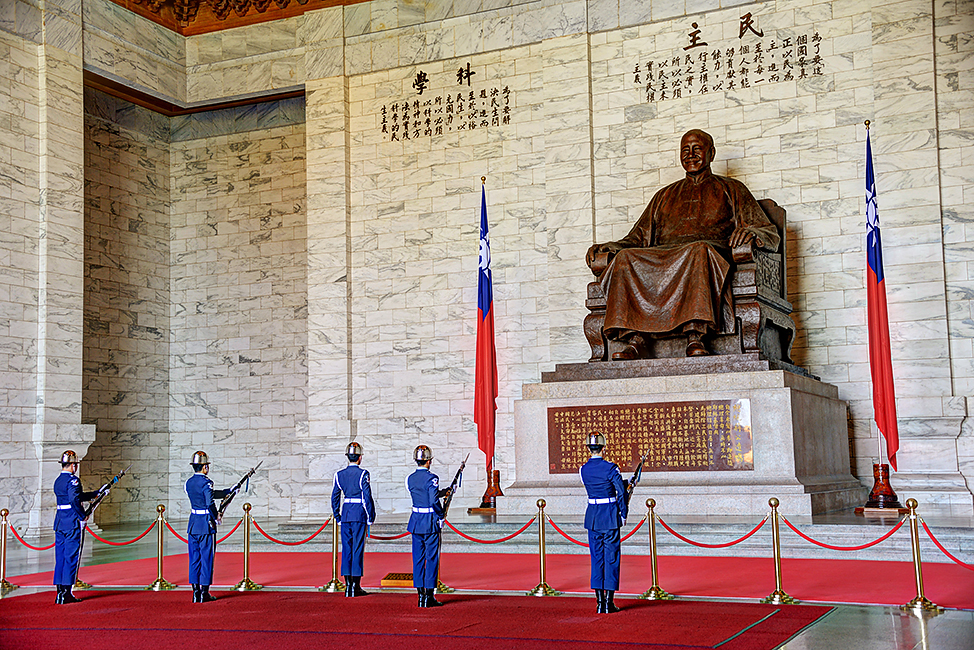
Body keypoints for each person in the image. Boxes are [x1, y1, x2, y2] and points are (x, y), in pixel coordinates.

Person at [586, 129, 779, 358]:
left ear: (711, 153)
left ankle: (695, 335)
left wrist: (750, 233)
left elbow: (769, 232)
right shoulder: (664, 195)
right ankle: (636, 338)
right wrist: (611, 247)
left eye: (697, 148)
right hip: (663, 254)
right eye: (685, 150)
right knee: (626, 258)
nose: (691, 154)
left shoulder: (732, 188)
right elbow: (637, 238)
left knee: (698, 250)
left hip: (707, 251)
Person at [579, 433, 628, 613]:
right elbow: (620, 493)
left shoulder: (583, 469)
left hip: (593, 517)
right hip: (609, 516)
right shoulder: (611, 468)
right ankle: (609, 603)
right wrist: (623, 513)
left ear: (588, 448)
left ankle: (599, 603)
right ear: (604, 447)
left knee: (596, 558)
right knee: (612, 558)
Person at [53, 450, 106, 604]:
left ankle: (60, 593)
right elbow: (74, 499)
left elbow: (78, 495)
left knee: (61, 558)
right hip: (71, 522)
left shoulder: (59, 480)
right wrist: (82, 516)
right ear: (73, 465)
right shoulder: (73, 480)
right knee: (71, 557)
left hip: (60, 522)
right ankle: (67, 593)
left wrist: (95, 494)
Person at [185, 451, 233, 603]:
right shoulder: (207, 482)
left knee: (194, 558)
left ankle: (195, 593)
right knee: (206, 558)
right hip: (206, 524)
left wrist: (228, 491)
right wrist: (216, 516)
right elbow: (209, 502)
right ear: (205, 467)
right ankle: (204, 593)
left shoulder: (189, 482)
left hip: (193, 524)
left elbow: (209, 494)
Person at [406, 445, 449, 608]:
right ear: (429, 461)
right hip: (430, 521)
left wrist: (443, 491)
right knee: (431, 558)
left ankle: (420, 596)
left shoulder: (410, 478)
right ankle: (429, 596)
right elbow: (432, 500)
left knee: (417, 559)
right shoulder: (432, 478)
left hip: (416, 521)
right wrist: (441, 514)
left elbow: (423, 493)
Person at [331, 441, 376, 597]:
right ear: (359, 458)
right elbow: (367, 497)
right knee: (357, 548)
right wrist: (371, 516)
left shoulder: (339, 475)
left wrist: (337, 516)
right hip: (359, 514)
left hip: (346, 514)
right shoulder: (363, 474)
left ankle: (348, 585)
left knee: (347, 549)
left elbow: (335, 497)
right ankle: (355, 586)